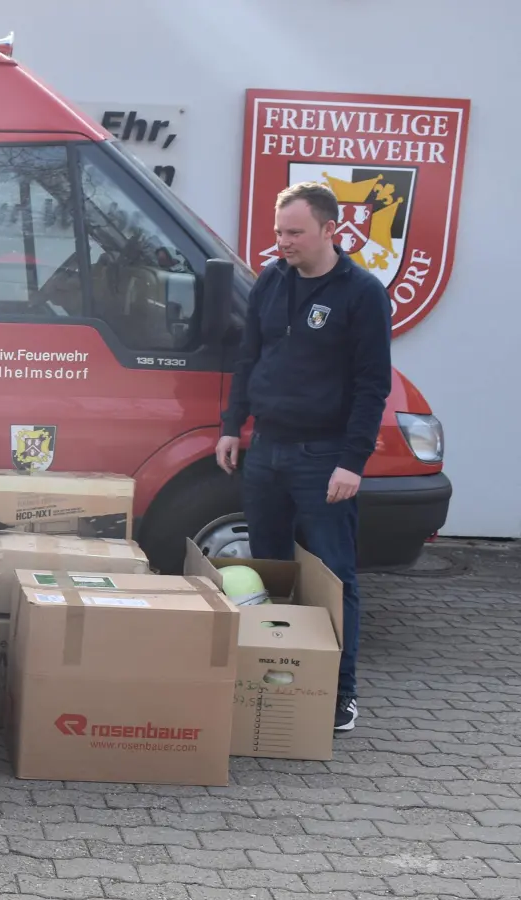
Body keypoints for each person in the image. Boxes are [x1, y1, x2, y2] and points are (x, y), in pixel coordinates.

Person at [217, 181, 392, 734]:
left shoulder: (362, 293)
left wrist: (353, 460)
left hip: (324, 457)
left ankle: (341, 694)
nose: (282, 241)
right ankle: (274, 675)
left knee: (335, 575)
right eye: (278, 231)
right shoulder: (271, 279)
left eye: (294, 232)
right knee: (270, 570)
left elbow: (372, 385)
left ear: (329, 231)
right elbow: (248, 360)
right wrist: (231, 427)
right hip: (266, 448)